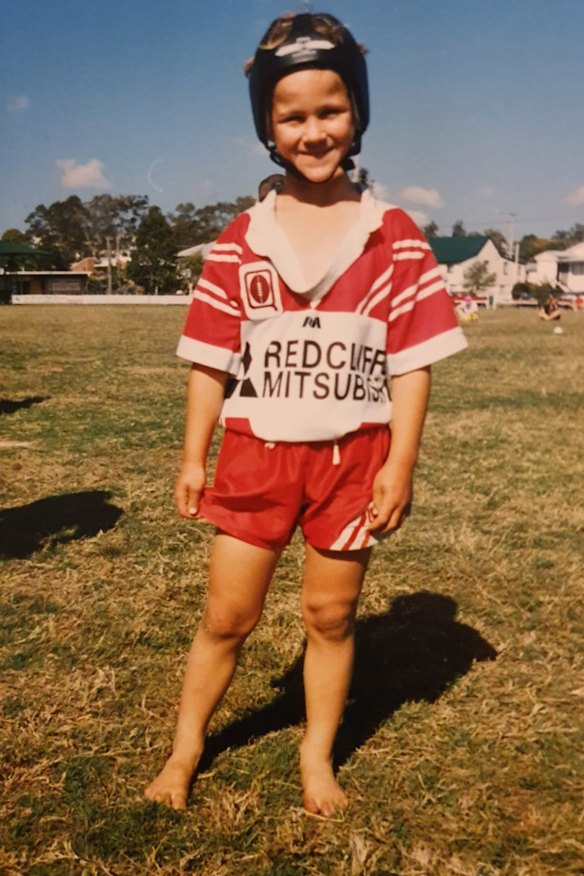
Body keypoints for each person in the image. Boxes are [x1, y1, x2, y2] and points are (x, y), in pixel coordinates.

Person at [145, 11, 468, 816]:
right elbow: (210, 362)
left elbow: (412, 364)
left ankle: (316, 757)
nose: (314, 131)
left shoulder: (393, 235)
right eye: (292, 116)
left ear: (358, 111)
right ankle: (185, 750)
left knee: (330, 614)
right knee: (228, 615)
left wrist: (400, 465)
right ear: (267, 125)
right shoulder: (240, 239)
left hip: (352, 461)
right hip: (256, 456)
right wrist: (192, 457)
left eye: (331, 110)